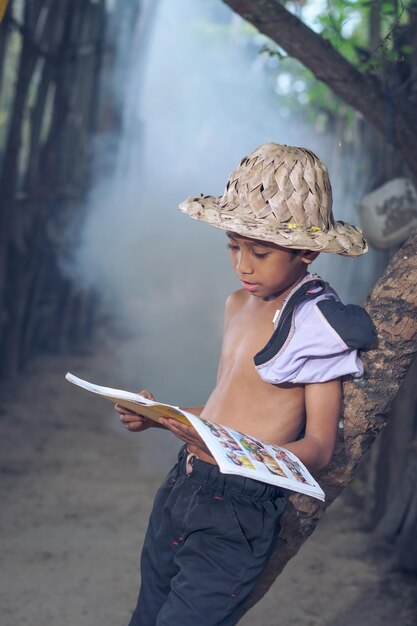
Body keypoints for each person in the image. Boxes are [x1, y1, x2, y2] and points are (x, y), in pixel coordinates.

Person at [116, 143, 375, 626]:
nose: (243, 265)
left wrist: (231, 451)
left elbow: (320, 447)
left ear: (307, 250)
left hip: (236, 507)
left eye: (260, 251)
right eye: (233, 247)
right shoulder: (237, 304)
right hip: (183, 485)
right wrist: (163, 418)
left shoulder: (316, 324)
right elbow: (228, 413)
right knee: (147, 615)